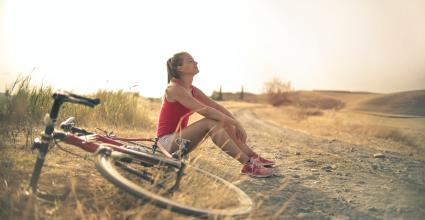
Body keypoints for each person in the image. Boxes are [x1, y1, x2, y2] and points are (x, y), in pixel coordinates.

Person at [156, 52, 274, 178]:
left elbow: (216, 107)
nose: (196, 62)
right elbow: (206, 110)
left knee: (221, 120)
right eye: (190, 61)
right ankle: (248, 164)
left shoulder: (192, 89)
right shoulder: (173, 88)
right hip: (165, 143)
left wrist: (233, 122)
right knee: (210, 122)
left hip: (180, 142)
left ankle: (252, 156)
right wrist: (235, 123)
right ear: (179, 67)